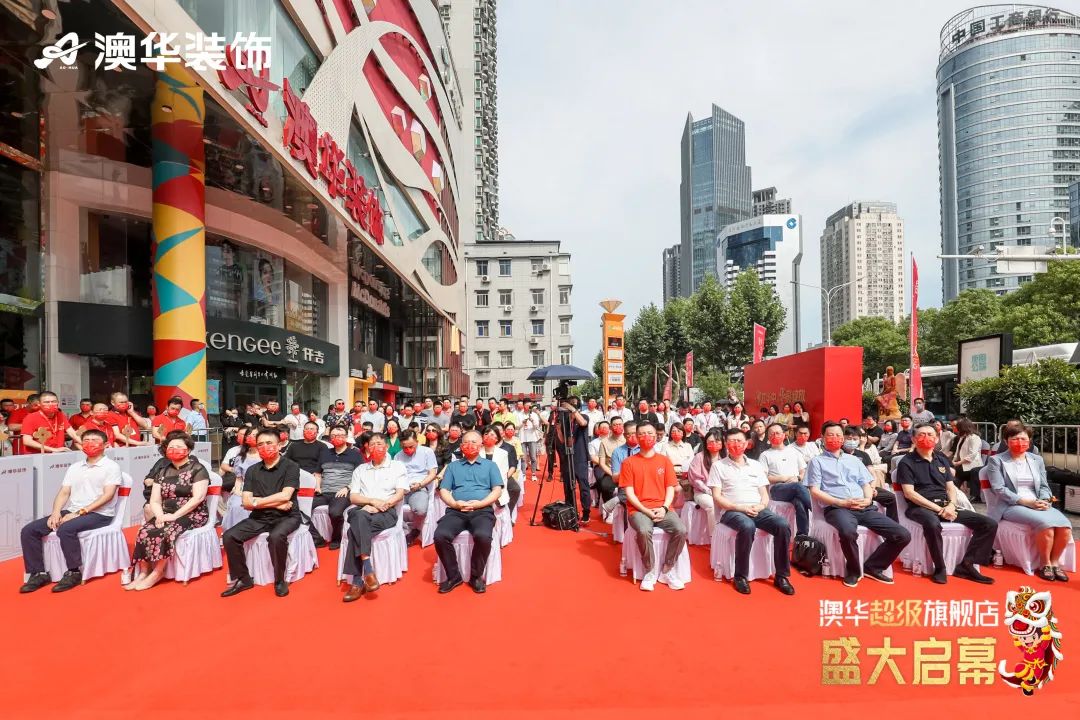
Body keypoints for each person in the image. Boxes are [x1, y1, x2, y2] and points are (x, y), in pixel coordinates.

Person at [806, 421, 910, 587]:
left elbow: (866, 484)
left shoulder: (854, 460)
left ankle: (873, 566)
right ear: (822, 438)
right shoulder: (817, 462)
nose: (835, 438)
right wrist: (841, 502)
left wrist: (868, 499)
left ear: (843, 438)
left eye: (838, 435)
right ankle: (854, 570)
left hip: (864, 507)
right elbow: (815, 491)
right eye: (830, 435)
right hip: (838, 508)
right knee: (848, 532)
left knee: (902, 535)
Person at [18, 429, 121, 593]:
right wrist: (56, 512)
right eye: (86, 440)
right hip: (73, 511)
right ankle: (37, 573)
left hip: (100, 514)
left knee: (66, 529)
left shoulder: (111, 466)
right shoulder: (75, 467)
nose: (90, 443)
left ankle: (73, 572)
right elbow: (64, 492)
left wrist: (81, 512)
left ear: (105, 445)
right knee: (29, 530)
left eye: (95, 440)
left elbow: (108, 496)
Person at [897, 424, 996, 585]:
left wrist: (951, 505)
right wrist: (939, 509)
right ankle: (939, 567)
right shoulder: (906, 462)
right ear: (914, 439)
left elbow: (951, 487)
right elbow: (910, 493)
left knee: (988, 524)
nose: (926, 438)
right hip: (919, 508)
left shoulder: (941, 459)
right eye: (921, 435)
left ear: (936, 439)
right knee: (932, 523)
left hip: (946, 505)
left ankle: (967, 565)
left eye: (930, 434)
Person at [709, 428, 795, 596]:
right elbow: (717, 497)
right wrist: (740, 507)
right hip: (732, 510)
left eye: (739, 441)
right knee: (747, 526)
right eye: (732, 441)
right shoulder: (718, 466)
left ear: (747, 443)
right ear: (726, 444)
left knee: (783, 525)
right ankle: (740, 576)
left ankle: (782, 576)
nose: (736, 445)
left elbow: (764, 494)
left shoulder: (756, 466)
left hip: (757, 508)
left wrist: (762, 505)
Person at [985, 424, 1072, 582]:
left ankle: (1054, 563)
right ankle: (1044, 564)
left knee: (1065, 526)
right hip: (1011, 504)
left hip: (1037, 502)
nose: (1020, 442)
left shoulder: (1036, 459)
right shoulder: (996, 460)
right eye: (1015, 439)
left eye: (1023, 438)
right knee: (1046, 525)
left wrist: (1045, 500)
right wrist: (1026, 502)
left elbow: (1044, 485)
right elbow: (999, 489)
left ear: (1030, 441)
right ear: (1006, 440)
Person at [221, 430, 301, 598]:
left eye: (269, 443)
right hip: (259, 516)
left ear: (279, 445)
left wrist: (257, 501)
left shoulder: (291, 466)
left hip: (287, 516)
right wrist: (276, 504)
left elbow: (286, 496)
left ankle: (279, 580)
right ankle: (243, 578)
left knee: (276, 536)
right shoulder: (252, 470)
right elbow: (246, 501)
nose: (265, 447)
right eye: (260, 444)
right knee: (229, 536)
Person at [126, 433, 210, 591]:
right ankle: (144, 571)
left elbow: (198, 498)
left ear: (188, 450)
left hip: (193, 513)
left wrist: (174, 516)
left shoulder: (198, 469)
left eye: (179, 447)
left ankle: (159, 571)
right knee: (144, 531)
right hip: (165, 512)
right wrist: (159, 515)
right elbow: (155, 500)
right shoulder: (163, 471)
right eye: (171, 447)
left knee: (167, 530)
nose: (174, 450)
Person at [341, 434, 410, 602]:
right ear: (367, 448)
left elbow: (400, 493)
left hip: (386, 512)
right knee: (360, 514)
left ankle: (358, 581)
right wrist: (371, 501)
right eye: (372, 444)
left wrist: (382, 505)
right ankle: (368, 571)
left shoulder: (397, 466)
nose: (376, 447)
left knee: (353, 531)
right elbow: (354, 497)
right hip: (363, 508)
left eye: (380, 443)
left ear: (386, 447)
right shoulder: (360, 470)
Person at [619, 421, 687, 591]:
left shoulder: (664, 461)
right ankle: (649, 570)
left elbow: (670, 488)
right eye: (641, 434)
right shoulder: (629, 463)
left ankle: (668, 569)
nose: (646, 437)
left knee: (681, 530)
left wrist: (664, 508)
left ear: (656, 436)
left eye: (650, 433)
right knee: (643, 530)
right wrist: (646, 511)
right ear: (636, 436)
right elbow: (629, 493)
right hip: (639, 509)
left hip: (663, 507)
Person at [433, 430, 504, 594]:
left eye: (473, 442)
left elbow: (496, 490)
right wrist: (455, 504)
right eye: (466, 442)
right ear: (460, 446)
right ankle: (453, 576)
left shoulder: (490, 466)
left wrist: (481, 503)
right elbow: (444, 490)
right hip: (456, 510)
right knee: (440, 535)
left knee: (483, 536)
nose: (469, 445)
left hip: (482, 510)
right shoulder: (453, 466)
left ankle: (476, 576)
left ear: (481, 445)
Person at [308, 426, 364, 549]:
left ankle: (336, 538)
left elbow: (361, 476)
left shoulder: (355, 454)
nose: (337, 438)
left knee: (335, 512)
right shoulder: (325, 453)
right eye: (333, 436)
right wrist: (317, 487)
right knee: (300, 508)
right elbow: (318, 473)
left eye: (340, 435)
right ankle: (317, 538)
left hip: (343, 492)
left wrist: (347, 488)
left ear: (346, 437)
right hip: (323, 491)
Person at [759, 423, 811, 536]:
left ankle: (802, 535)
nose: (775, 435)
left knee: (799, 502)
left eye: (777, 433)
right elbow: (763, 478)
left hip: (796, 485)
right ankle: (819, 511)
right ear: (768, 437)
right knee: (798, 487)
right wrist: (783, 478)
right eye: (771, 434)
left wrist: (797, 478)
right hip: (777, 489)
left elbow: (803, 472)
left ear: (784, 435)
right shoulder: (765, 455)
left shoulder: (794, 451)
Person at [548, 394, 591, 522]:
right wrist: (559, 429)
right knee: (567, 485)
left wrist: (573, 410)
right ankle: (570, 510)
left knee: (583, 485)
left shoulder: (583, 417)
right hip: (567, 456)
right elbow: (562, 441)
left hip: (580, 456)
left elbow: (583, 423)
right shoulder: (565, 420)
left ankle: (586, 511)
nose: (567, 407)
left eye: (571, 404)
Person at [395, 429, 438, 546]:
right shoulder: (398, 456)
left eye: (411, 447)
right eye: (405, 448)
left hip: (419, 487)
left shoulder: (427, 452)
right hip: (402, 489)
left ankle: (416, 528)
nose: (408, 450)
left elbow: (432, 474)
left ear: (417, 442)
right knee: (387, 507)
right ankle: (405, 531)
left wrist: (420, 484)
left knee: (420, 510)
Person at [686, 429, 723, 531]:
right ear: (706, 443)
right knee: (712, 505)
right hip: (703, 492)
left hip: (723, 491)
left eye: (717, 441)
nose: (714, 444)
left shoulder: (726, 457)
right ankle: (714, 536)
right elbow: (695, 479)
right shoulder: (699, 457)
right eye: (710, 442)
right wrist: (709, 491)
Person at [951, 418, 984, 502]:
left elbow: (972, 455)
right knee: (954, 472)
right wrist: (953, 462)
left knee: (960, 473)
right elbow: (957, 452)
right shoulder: (962, 437)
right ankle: (952, 492)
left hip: (973, 465)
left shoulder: (974, 438)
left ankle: (975, 496)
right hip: (962, 464)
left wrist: (958, 463)